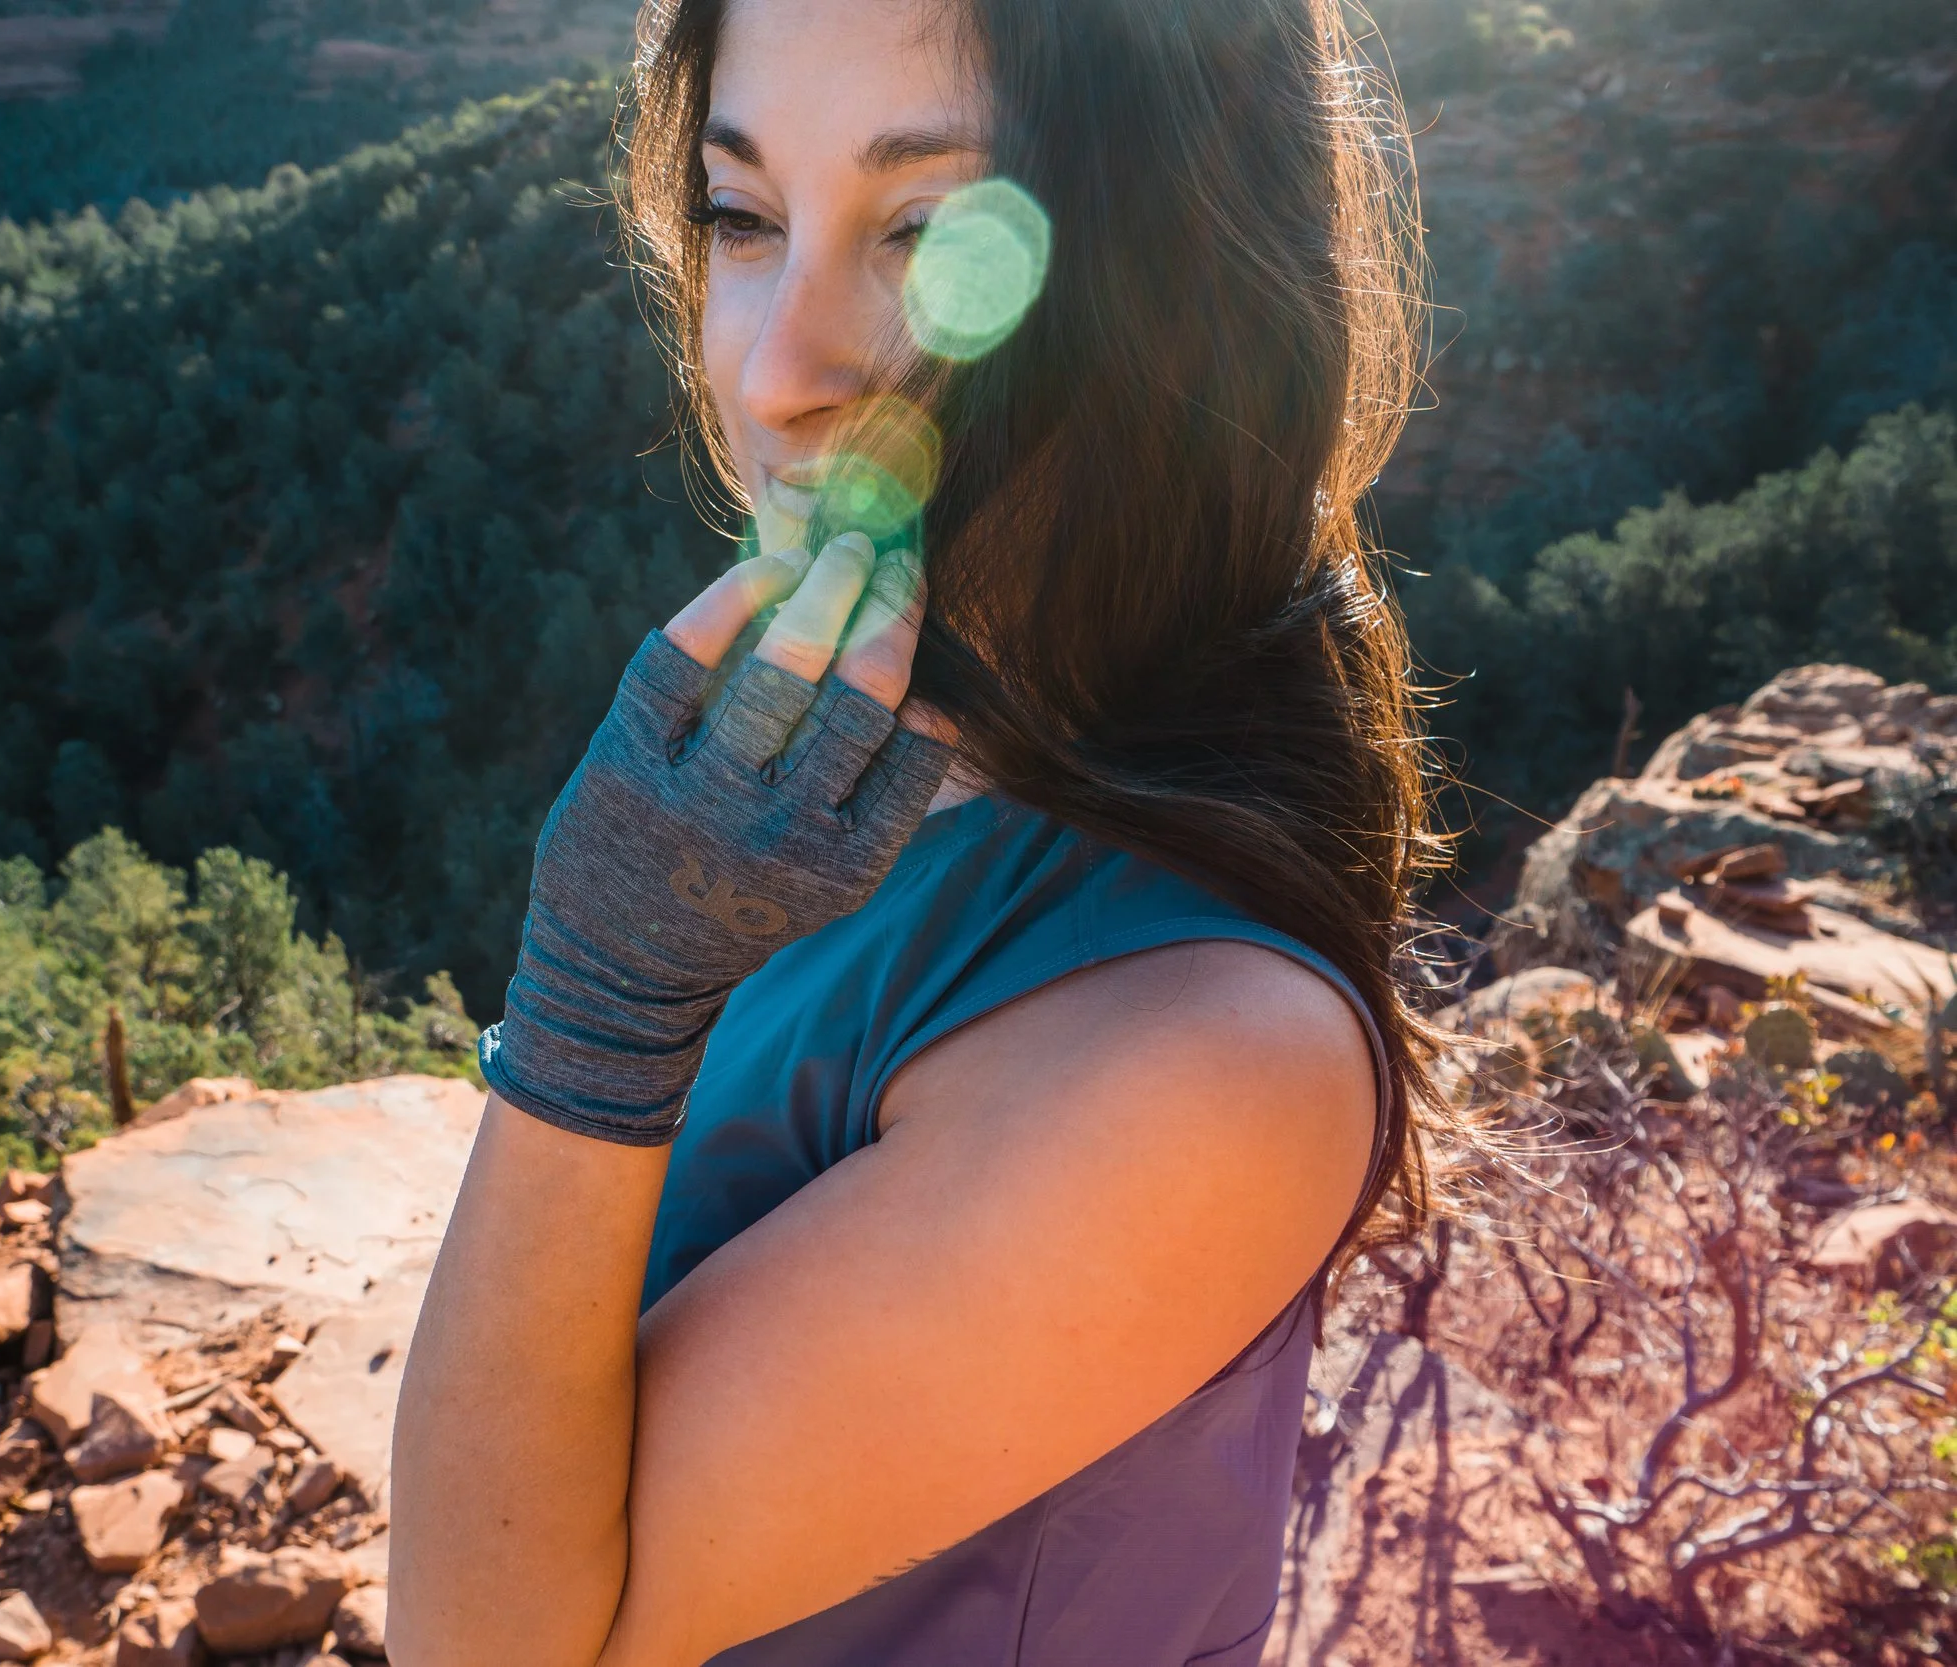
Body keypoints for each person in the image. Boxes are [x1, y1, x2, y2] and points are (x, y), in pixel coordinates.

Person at [389, 0, 1458, 1659]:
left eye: (931, 239)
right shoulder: (863, 781)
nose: (774, 370)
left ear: (1185, 285)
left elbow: (490, 1641)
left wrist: (599, 990)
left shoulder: (1199, 1059)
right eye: (743, 218)